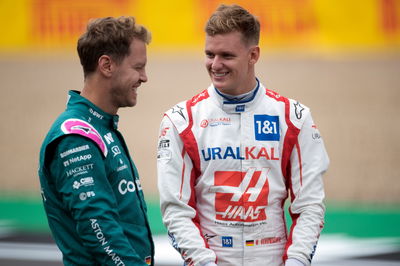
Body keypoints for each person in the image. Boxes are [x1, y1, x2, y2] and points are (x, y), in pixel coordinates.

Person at [157, 4, 329, 266]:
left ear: (253, 55)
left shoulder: (294, 118)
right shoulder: (181, 121)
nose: (215, 65)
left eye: (226, 55)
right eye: (209, 54)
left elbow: (309, 205)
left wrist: (296, 261)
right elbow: (176, 210)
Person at [38, 16, 154, 265]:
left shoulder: (100, 127)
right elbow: (98, 230)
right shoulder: (75, 135)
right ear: (107, 65)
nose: (144, 77)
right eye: (138, 67)